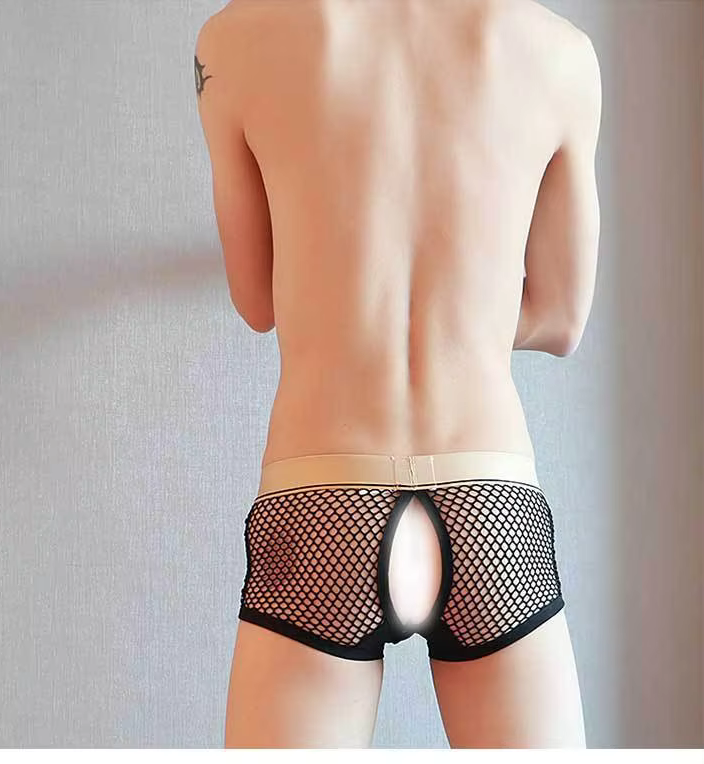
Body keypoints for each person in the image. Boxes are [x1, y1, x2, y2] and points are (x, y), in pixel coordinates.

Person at [194, 0, 601, 749]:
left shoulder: (232, 41)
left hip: (321, 499)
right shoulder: (561, 52)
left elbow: (257, 300)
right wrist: (461, 324)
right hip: (491, 505)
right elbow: (562, 318)